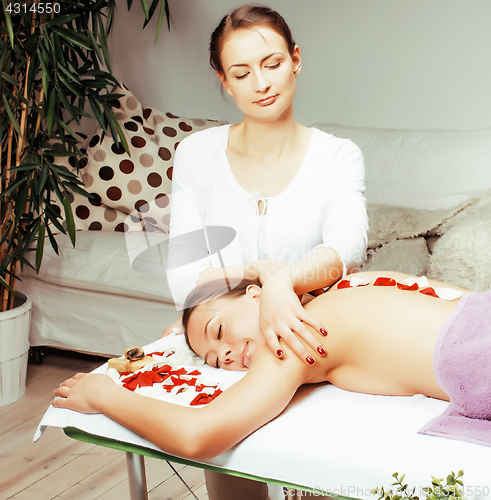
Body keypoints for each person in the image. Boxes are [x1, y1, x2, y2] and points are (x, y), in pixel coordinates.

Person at [53, 271, 491, 466]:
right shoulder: (347, 290)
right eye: (213, 358)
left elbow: (199, 435)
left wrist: (105, 395)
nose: (224, 355)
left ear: (255, 295)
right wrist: (189, 331)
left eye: (220, 330)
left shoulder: (293, 335)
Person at [164, 3, 369, 370]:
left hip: (311, 338)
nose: (261, 84)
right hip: (234, 351)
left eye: (272, 65)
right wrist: (262, 272)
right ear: (224, 81)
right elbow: (184, 281)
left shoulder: (338, 155)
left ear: (296, 60)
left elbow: (345, 251)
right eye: (241, 74)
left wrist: (278, 283)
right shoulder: (195, 154)